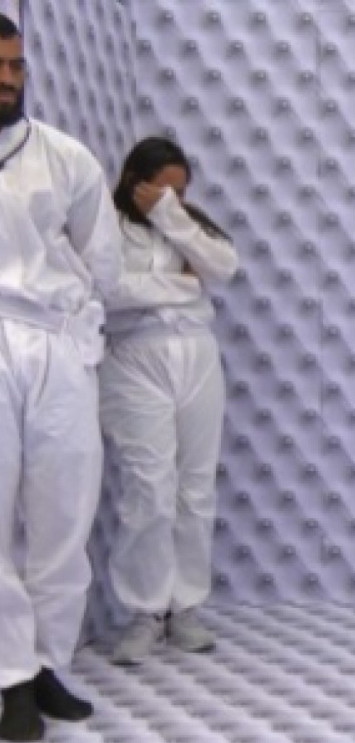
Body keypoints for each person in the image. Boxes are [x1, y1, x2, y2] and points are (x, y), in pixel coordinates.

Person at [0, 13, 123, 743]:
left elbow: (103, 260)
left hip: (54, 340)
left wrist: (81, 341)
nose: (8, 80)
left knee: (64, 511)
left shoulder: (66, 156)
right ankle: (9, 673)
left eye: (16, 66)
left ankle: (47, 660)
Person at [101, 137, 238, 666]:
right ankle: (144, 611)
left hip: (196, 356)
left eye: (181, 192)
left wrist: (172, 217)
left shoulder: (185, 224)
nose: (172, 199)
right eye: (162, 190)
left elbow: (223, 267)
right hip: (134, 357)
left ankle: (186, 608)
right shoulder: (109, 225)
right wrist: (182, 286)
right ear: (134, 181)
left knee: (195, 488)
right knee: (148, 488)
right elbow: (108, 290)